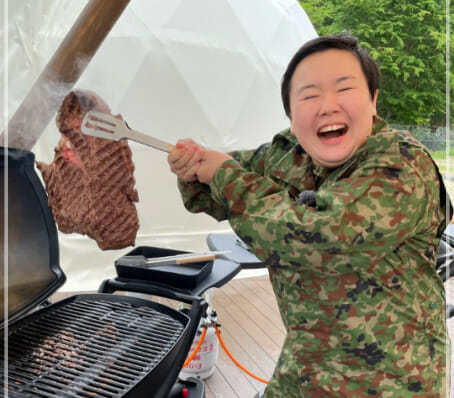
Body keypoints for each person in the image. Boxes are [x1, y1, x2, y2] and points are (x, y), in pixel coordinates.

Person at [167, 33, 452, 397]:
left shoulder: (401, 165)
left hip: (391, 381)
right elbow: (216, 192)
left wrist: (220, 173)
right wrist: (192, 165)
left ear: (373, 101)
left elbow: (320, 238)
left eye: (344, 89)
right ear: (290, 113)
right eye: (310, 94)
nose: (328, 106)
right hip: (306, 367)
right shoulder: (288, 154)